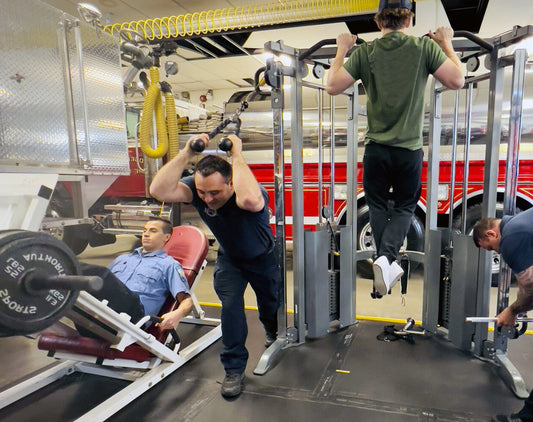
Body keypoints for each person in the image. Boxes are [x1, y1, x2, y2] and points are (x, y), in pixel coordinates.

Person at [326, 0, 464, 297]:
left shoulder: (366, 51)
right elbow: (457, 79)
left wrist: (341, 49)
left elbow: (332, 86)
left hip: (376, 149)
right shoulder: (423, 48)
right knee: (403, 206)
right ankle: (386, 258)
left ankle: (383, 259)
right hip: (408, 150)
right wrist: (447, 44)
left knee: (377, 206)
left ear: (378, 23)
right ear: (409, 22)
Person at [149, 133, 280, 399]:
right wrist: (186, 153)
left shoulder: (249, 189)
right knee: (231, 308)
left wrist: (237, 155)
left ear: (231, 183)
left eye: (215, 192)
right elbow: (158, 191)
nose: (207, 199)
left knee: (270, 304)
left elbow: (252, 203)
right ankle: (233, 369)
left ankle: (271, 329)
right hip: (230, 259)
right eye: (201, 193)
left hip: (263, 258)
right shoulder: (199, 188)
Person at [80, 217, 193, 334]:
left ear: (166, 237)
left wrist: (177, 314)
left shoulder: (169, 265)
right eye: (144, 230)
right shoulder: (123, 258)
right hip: (102, 310)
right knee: (81, 282)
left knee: (100, 274)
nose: (146, 234)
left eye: (153, 231)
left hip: (134, 314)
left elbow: (187, 300)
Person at [473, 208, 533, 422]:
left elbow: (531, 285)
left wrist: (513, 310)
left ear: (491, 234)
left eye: (491, 249)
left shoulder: (511, 239)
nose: (497, 253)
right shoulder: (523, 220)